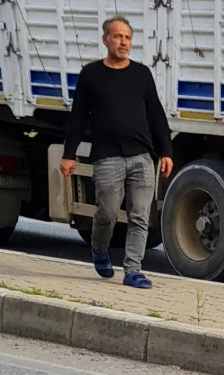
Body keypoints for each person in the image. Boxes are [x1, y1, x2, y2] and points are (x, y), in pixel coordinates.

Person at [59, 16, 174, 288]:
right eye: (118, 36)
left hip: (141, 157)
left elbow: (156, 115)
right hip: (107, 156)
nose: (123, 42)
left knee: (139, 216)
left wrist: (166, 151)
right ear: (105, 40)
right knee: (107, 213)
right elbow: (78, 118)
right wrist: (69, 154)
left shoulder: (142, 75)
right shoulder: (91, 75)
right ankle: (99, 249)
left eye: (128, 37)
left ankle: (133, 270)